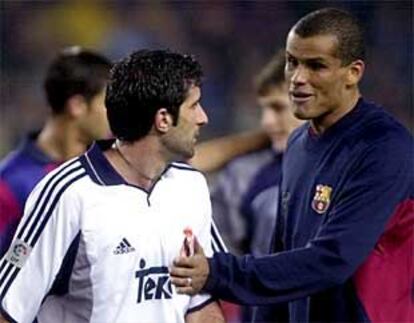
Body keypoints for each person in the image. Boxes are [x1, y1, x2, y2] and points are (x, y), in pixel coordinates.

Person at [170, 8, 414, 322]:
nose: (298, 78)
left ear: (353, 72)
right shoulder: (299, 145)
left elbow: (332, 259)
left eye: (316, 66)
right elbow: (282, 252)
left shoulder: (384, 149)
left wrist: (219, 272)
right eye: (292, 62)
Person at [0, 49, 226, 323]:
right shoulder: (68, 193)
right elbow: (9, 309)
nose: (204, 117)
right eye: (194, 106)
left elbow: (201, 304)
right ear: (163, 119)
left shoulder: (191, 187)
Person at [0, 46, 112, 259]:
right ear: (77, 106)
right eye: (107, 102)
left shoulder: (113, 163)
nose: (114, 112)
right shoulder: (10, 184)